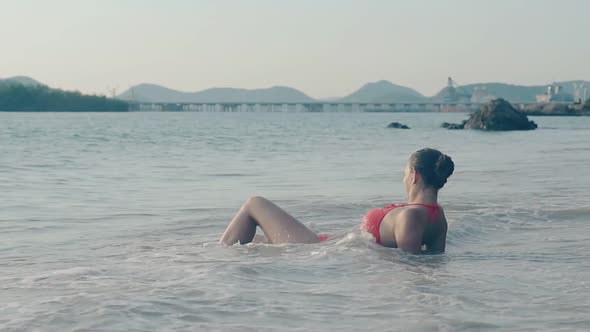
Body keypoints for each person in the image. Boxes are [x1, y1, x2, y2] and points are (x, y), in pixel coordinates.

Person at [219, 148, 454, 254]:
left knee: (254, 203)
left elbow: (409, 265)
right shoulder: (437, 216)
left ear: (414, 176)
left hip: (317, 247)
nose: (403, 179)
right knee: (256, 241)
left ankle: (215, 261)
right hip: (328, 244)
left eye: (404, 174)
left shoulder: (410, 215)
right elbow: (433, 260)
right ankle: (224, 260)